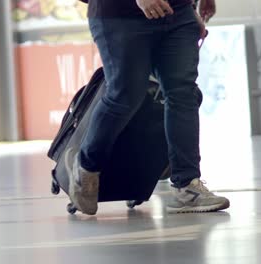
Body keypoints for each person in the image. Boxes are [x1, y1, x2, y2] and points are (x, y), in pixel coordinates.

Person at [65, 0, 230, 215]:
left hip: (177, 13)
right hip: (120, 15)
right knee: (125, 95)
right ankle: (86, 167)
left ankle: (187, 186)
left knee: (183, 94)